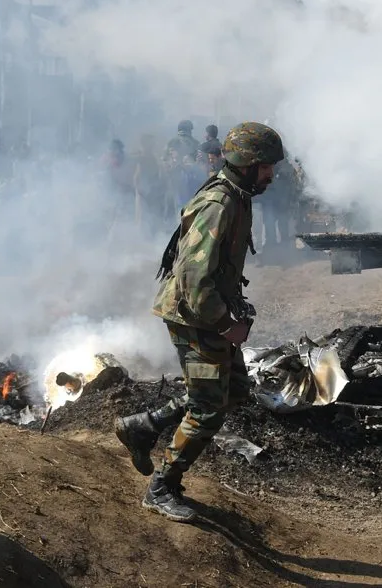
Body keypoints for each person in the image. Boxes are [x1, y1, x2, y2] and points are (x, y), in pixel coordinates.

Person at [114, 122, 285, 523]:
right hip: (194, 315)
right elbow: (193, 280)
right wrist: (226, 324)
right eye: (265, 166)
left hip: (207, 310)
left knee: (234, 390)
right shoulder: (220, 204)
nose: (271, 175)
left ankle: (144, 426)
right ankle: (162, 488)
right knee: (209, 409)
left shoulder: (238, 195)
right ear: (246, 163)